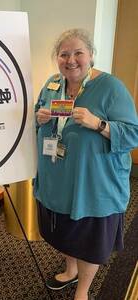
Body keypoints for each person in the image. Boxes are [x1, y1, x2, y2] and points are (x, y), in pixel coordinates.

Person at [34, 28, 138, 300]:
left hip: (94, 184)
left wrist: (99, 124)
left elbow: (133, 133)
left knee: (88, 241)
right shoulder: (52, 83)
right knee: (65, 232)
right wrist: (40, 118)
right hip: (58, 180)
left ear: (91, 55)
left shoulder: (111, 87)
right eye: (64, 54)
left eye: (78, 53)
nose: (71, 60)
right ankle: (70, 270)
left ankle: (82, 290)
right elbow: (37, 113)